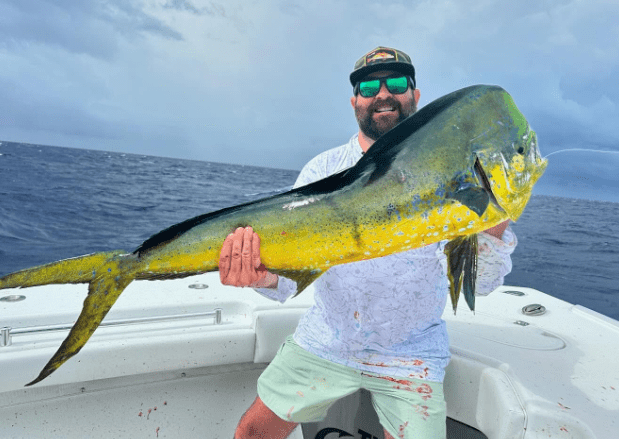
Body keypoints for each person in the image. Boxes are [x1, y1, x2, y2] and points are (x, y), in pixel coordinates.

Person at [219, 47, 516, 439]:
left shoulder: (452, 175)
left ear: (415, 95)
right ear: (354, 100)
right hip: (326, 339)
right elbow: (292, 281)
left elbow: (483, 284)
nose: (382, 94)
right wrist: (262, 278)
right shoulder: (323, 171)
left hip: (410, 354)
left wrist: (494, 224)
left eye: (395, 82)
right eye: (368, 86)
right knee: (251, 433)